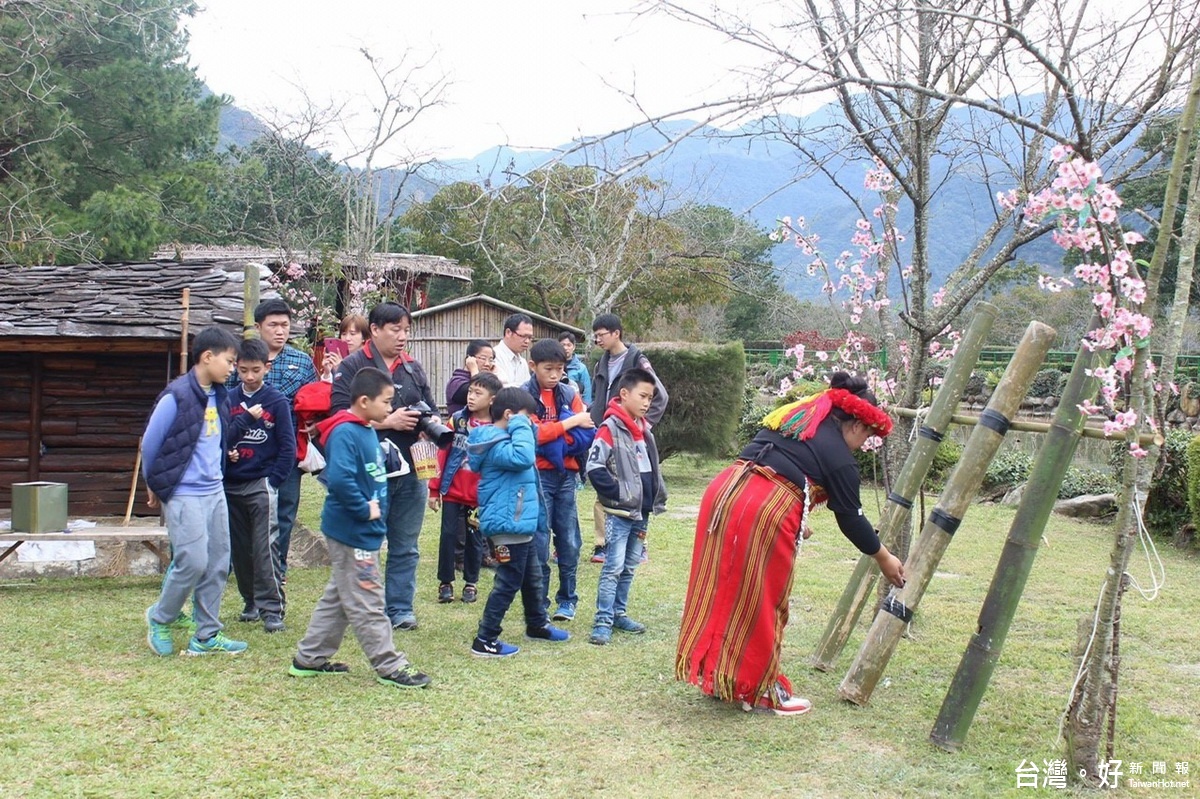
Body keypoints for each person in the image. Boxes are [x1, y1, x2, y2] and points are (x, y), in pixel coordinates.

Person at [675, 372, 906, 716]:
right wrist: (884, 557)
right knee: (763, 598)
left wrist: (796, 518)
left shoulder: (793, 425)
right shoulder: (840, 456)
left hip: (724, 492)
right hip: (764, 509)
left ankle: (719, 676)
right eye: (868, 434)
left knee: (721, 587)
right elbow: (851, 519)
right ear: (856, 424)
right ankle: (762, 689)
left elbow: (775, 466)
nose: (865, 442)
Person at [289, 367, 432, 690]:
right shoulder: (345, 432)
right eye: (386, 402)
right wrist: (363, 508)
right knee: (367, 596)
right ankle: (390, 665)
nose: (390, 409)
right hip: (351, 530)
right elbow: (339, 479)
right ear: (364, 401)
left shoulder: (366, 428)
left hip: (363, 531)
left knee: (340, 594)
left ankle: (308, 658)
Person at [331, 301, 440, 631]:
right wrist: (387, 420)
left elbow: (430, 408)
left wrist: (430, 422)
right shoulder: (352, 367)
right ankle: (366, 608)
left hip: (412, 465)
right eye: (395, 329)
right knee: (367, 542)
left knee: (406, 544)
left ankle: (401, 609)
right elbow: (337, 417)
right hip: (370, 469)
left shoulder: (412, 368)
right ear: (375, 330)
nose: (403, 336)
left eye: (406, 330)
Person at [142, 326, 247, 657]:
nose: (232, 369)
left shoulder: (221, 396)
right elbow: (150, 444)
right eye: (229, 362)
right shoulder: (177, 396)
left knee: (218, 562)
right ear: (207, 357)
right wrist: (153, 484)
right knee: (192, 560)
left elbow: (214, 440)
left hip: (215, 490)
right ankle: (161, 618)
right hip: (184, 492)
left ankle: (206, 634)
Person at [467, 387, 570, 657]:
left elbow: (535, 439)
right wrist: (521, 424)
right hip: (506, 525)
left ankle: (537, 624)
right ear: (510, 416)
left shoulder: (507, 439)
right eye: (526, 418)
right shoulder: (495, 445)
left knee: (532, 574)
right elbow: (524, 456)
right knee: (509, 580)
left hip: (518, 522)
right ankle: (485, 639)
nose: (529, 424)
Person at [235, 298, 318, 578]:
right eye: (273, 325)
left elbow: (314, 402)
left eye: (285, 325)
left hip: (288, 450)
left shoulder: (302, 361)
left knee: (284, 512)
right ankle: (248, 569)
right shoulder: (243, 359)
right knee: (245, 513)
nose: (280, 331)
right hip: (247, 450)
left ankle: (276, 568)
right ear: (259, 327)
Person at [585, 368, 666, 645]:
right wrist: (619, 494)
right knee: (613, 567)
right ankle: (603, 620)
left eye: (650, 398)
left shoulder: (644, 430)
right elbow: (594, 467)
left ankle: (619, 613)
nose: (647, 403)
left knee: (630, 566)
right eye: (642, 396)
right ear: (623, 394)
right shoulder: (609, 429)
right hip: (621, 513)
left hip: (641, 513)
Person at [224, 338, 296, 633]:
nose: (250, 377)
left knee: (265, 546)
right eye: (243, 371)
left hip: (261, 484)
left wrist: (273, 481)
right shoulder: (227, 400)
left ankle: (272, 608)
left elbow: (287, 447)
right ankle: (250, 601)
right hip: (230, 484)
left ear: (267, 367)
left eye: (255, 370)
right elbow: (217, 440)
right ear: (236, 369)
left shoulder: (276, 401)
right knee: (239, 548)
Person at [523, 338, 595, 622]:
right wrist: (569, 424)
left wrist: (559, 432)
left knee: (569, 540)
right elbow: (534, 436)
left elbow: (585, 433)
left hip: (566, 474)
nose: (554, 375)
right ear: (533, 366)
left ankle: (567, 600)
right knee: (539, 542)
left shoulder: (568, 392)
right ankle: (539, 603)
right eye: (548, 369)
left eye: (559, 369)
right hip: (538, 475)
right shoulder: (524, 395)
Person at [588, 313, 668, 564]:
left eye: (601, 334)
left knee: (635, 486)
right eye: (596, 335)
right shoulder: (600, 363)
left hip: (629, 437)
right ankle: (603, 544)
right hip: (605, 430)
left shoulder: (636, 360)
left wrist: (642, 427)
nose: (597, 339)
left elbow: (660, 396)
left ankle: (638, 545)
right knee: (604, 485)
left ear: (616, 333)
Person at [430, 371, 502, 604]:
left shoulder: (498, 425)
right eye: (470, 391)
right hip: (453, 492)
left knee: (475, 538)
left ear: (492, 399)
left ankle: (471, 583)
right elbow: (443, 453)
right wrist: (434, 489)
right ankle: (445, 582)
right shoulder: (457, 420)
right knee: (448, 535)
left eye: (477, 393)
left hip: (478, 497)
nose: (471, 397)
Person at [444, 339, 496, 416]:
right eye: (483, 358)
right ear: (470, 359)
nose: (487, 364)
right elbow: (480, 393)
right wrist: (474, 370)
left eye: (491, 360)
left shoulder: (489, 380)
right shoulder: (456, 382)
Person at [320, 314, 370, 382]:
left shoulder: (369, 360)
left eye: (352, 334)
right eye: (344, 334)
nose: (347, 338)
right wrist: (327, 372)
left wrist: (341, 370)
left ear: (364, 337)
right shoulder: (338, 357)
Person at [491, 312, 534, 387]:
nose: (527, 341)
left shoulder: (523, 362)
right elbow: (498, 389)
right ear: (508, 332)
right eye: (523, 336)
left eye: (530, 338)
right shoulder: (493, 357)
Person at [558, 331, 591, 403]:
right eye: (563, 345)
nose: (566, 348)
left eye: (569, 345)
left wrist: (586, 408)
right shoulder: (554, 365)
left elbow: (587, 391)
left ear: (574, 347)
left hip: (575, 404)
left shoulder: (581, 368)